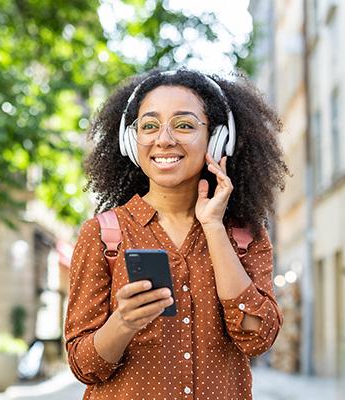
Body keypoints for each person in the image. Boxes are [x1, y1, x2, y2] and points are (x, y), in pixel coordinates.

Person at [64, 68, 288, 399]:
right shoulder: (102, 234)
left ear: (217, 138)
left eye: (184, 125)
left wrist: (214, 227)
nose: (164, 139)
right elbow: (84, 365)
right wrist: (123, 322)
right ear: (131, 140)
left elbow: (256, 339)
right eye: (149, 126)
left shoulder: (243, 237)